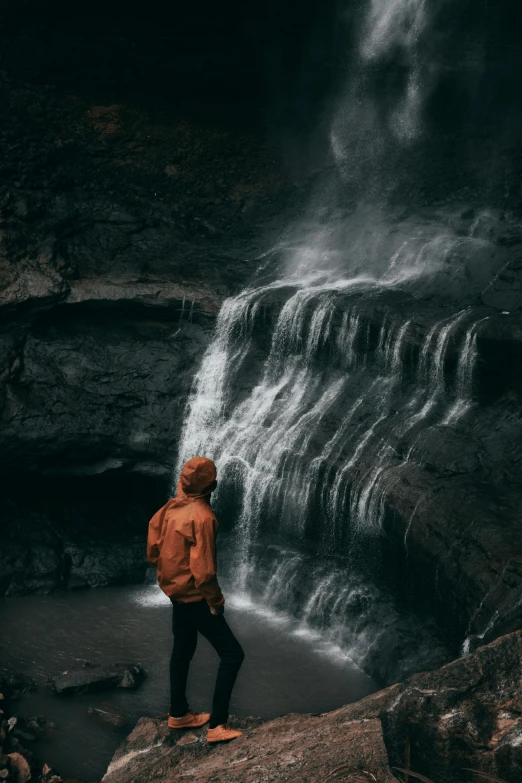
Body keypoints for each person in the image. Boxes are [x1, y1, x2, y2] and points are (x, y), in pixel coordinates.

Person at [147, 456, 245, 743]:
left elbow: (153, 547)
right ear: (212, 486)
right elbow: (203, 573)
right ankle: (217, 725)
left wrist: (164, 565)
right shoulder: (203, 517)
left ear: (183, 481)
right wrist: (216, 602)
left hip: (176, 595)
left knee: (182, 650)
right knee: (232, 654)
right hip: (194, 598)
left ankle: (178, 714)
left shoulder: (170, 507)